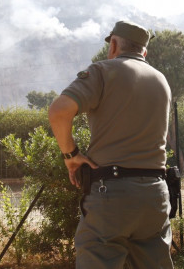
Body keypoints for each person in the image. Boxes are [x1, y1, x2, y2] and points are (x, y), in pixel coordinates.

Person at [48, 20, 173, 269]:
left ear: (114, 44)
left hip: (110, 195)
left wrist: (70, 154)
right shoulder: (161, 80)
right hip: (155, 195)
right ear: (144, 52)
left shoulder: (103, 71)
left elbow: (59, 111)